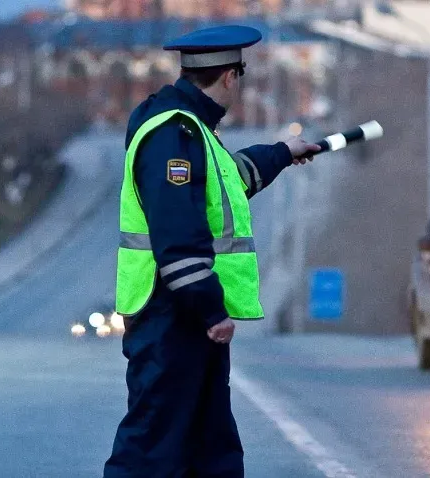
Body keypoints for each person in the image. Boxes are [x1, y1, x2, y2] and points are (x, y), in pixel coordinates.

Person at [104, 25, 321, 478]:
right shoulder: (172, 136)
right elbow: (177, 238)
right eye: (240, 75)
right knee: (152, 449)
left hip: (183, 321)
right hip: (171, 317)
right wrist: (211, 310)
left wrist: (283, 152)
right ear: (228, 76)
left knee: (208, 448)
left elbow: (232, 180)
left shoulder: (192, 130)